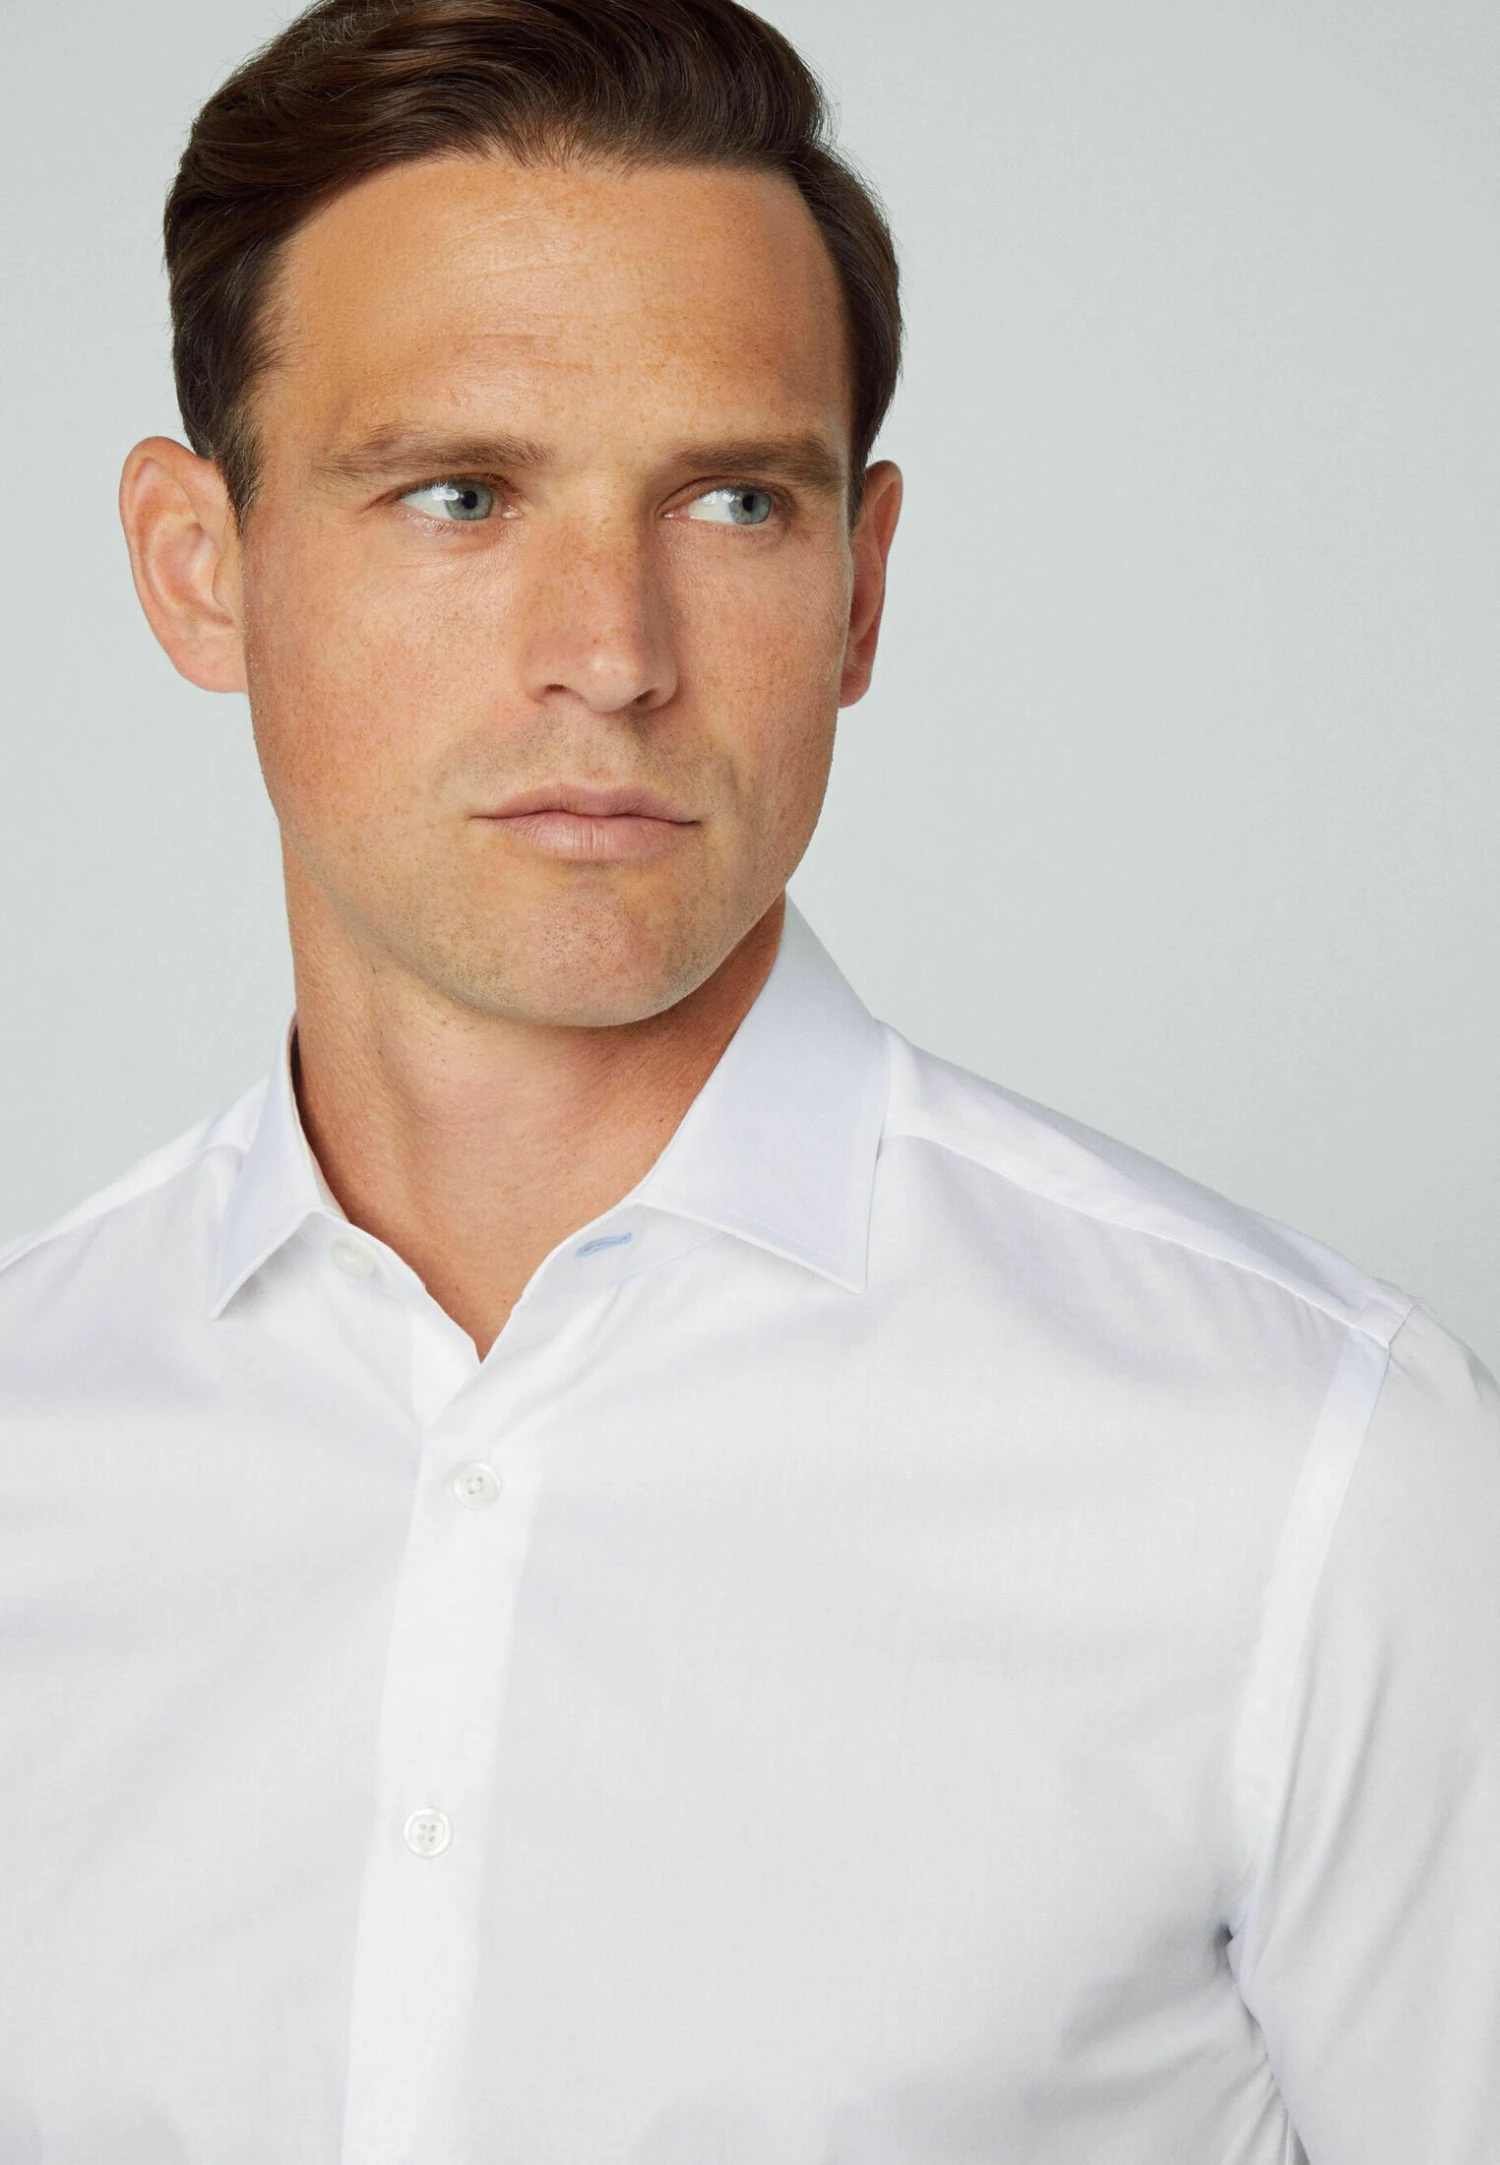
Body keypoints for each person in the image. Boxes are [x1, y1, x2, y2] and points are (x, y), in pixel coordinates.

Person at [1, 0, 1496, 2157]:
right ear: (197, 565)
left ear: (862, 587)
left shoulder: (1317, 1477)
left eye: (732, 499)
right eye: (457, 494)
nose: (612, 650)